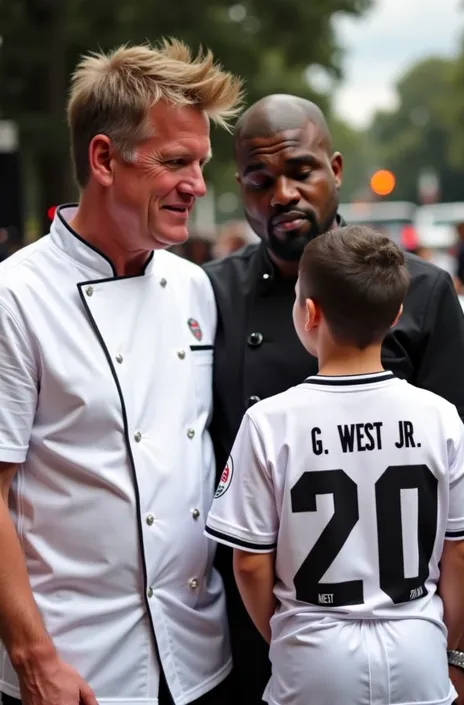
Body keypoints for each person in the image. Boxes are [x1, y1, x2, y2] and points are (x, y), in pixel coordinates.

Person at [202, 94, 464, 705]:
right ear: (240, 186)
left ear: (336, 169)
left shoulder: (422, 288)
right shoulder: (207, 294)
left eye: (301, 171)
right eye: (259, 179)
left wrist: (462, 652)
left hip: (406, 631)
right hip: (245, 640)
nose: (283, 194)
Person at [0, 41, 242, 705]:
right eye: (175, 162)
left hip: (199, 658)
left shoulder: (195, 287)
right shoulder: (15, 296)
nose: (196, 183)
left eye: (200, 163)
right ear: (104, 158)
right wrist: (32, 655)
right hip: (73, 669)